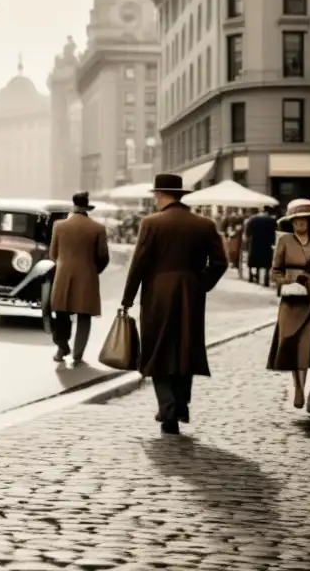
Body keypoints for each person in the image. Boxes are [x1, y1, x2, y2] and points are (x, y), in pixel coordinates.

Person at [120, 173, 228, 435]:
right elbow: (220, 262)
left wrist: (127, 299)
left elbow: (139, 265)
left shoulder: (151, 223)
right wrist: (199, 283)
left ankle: (168, 410)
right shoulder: (204, 224)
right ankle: (180, 405)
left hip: (158, 293)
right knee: (185, 348)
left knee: (157, 348)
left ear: (160, 194)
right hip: (191, 294)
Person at [48, 191, 110, 365]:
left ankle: (61, 348)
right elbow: (103, 256)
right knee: (84, 316)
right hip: (87, 276)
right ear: (87, 207)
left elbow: (53, 254)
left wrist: (64, 264)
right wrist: (93, 270)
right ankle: (77, 354)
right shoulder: (98, 228)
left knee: (61, 313)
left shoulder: (59, 226)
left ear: (73, 206)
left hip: (63, 275)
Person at [266, 198, 310, 412]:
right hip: (293, 301)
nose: (299, 224)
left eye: (303, 220)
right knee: (292, 343)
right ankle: (299, 388)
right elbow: (275, 272)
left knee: (308, 347)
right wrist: (289, 281)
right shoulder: (285, 241)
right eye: (295, 221)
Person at [244, 205, 278, 286]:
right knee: (266, 263)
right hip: (266, 243)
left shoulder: (253, 219)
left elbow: (247, 232)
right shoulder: (272, 220)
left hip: (255, 242)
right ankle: (266, 280)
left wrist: (248, 240)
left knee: (253, 261)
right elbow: (275, 232)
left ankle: (252, 277)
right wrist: (273, 242)